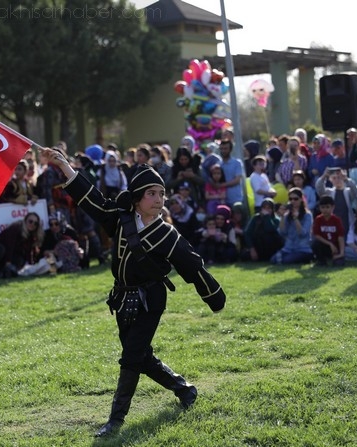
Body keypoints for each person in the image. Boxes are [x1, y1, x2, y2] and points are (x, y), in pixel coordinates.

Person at [43, 147, 226, 438]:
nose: (158, 199)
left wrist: (214, 297)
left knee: (131, 357)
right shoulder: (120, 218)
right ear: (138, 198)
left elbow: (193, 266)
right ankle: (184, 388)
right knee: (140, 355)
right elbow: (93, 200)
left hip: (151, 300)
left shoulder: (168, 235)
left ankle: (115, 421)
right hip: (121, 297)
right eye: (151, 193)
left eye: (161, 194)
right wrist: (65, 166)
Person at [271, 187, 313, 264]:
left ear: (301, 199)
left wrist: (296, 219)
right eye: (290, 199)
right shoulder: (287, 215)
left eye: (295, 199)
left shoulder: (307, 215)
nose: (293, 201)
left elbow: (302, 233)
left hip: (302, 248)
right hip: (288, 248)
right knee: (274, 259)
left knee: (286, 260)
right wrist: (283, 217)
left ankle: (304, 259)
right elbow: (282, 232)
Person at [243, 198, 283, 262]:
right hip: (258, 247)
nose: (266, 210)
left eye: (269, 208)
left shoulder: (276, 220)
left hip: (271, 248)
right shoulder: (256, 218)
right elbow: (247, 233)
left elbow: (270, 229)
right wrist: (252, 249)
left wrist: (266, 217)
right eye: (264, 208)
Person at [311, 195, 345, 266]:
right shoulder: (318, 219)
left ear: (333, 207)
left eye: (327, 207)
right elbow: (317, 235)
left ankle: (335, 258)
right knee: (315, 243)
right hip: (325, 245)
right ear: (319, 208)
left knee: (338, 264)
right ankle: (321, 260)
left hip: (335, 247)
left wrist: (341, 253)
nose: (325, 210)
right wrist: (329, 244)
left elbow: (340, 237)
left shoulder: (337, 220)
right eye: (323, 207)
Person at [216, 139, 244, 207]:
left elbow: (237, 180)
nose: (223, 151)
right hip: (222, 200)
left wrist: (221, 185)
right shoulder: (218, 164)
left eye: (225, 148)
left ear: (230, 149)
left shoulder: (237, 163)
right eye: (221, 148)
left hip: (235, 199)